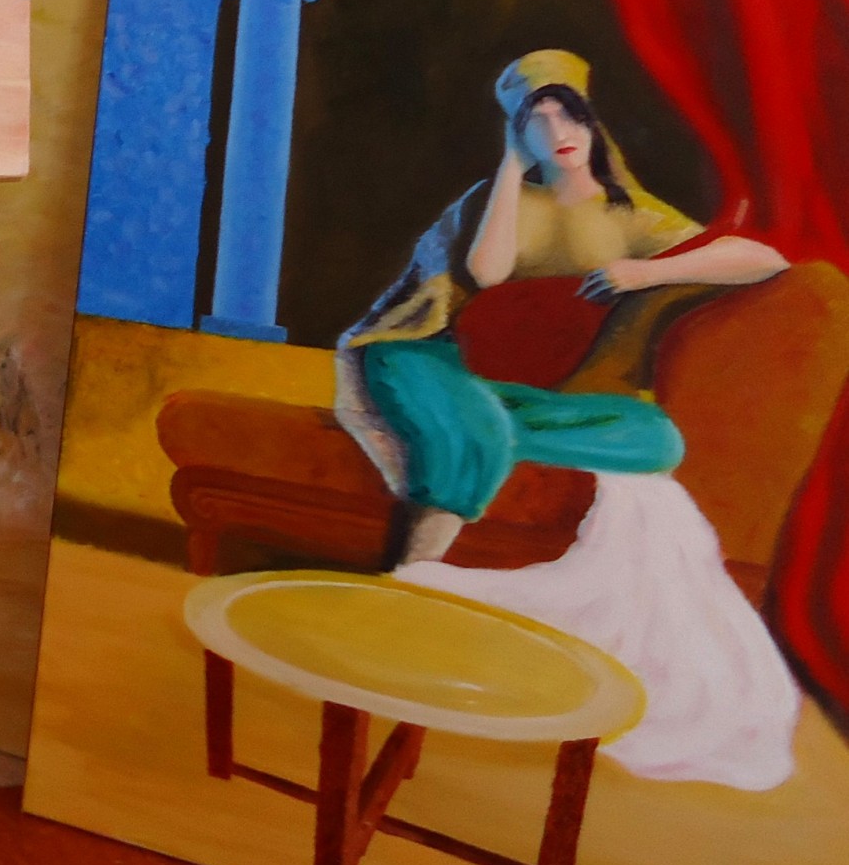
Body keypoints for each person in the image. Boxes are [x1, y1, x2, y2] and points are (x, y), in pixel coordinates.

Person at [336, 49, 801, 789]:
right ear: (515, 132)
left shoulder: (630, 215)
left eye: (568, 114)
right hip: (422, 350)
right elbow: (486, 273)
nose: (556, 131)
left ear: (592, 124)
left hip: (502, 387)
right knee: (477, 428)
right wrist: (510, 170)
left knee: (653, 437)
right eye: (536, 119)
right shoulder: (497, 197)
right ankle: (407, 588)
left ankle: (481, 427)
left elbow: (762, 258)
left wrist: (649, 270)